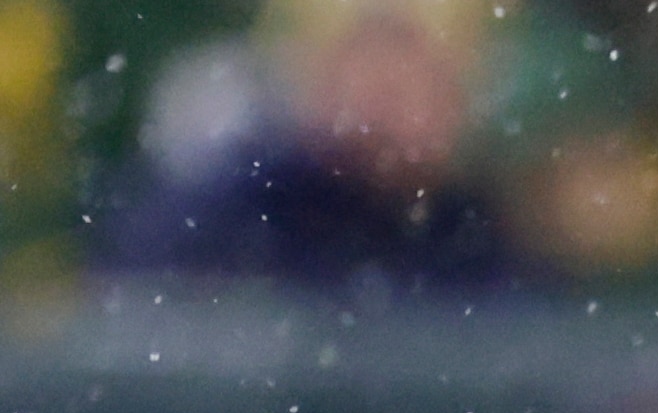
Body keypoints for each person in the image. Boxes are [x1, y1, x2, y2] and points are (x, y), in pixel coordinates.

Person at [93, 0, 527, 299]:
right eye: (368, 60)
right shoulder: (224, 219)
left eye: (419, 71)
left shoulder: (480, 236)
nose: (388, 91)